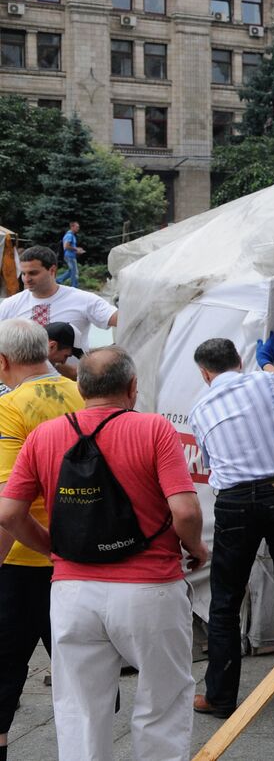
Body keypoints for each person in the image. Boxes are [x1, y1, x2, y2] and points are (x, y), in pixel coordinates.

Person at [0, 346, 207, 761]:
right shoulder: (154, 430)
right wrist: (196, 548)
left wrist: (51, 548)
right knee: (163, 703)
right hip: (150, 589)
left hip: (72, 591)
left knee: (79, 708)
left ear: (80, 386)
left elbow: (9, 513)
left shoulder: (44, 435)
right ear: (132, 387)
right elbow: (184, 510)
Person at [189, 334, 274, 718]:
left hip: (236, 504)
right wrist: (268, 363)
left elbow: (210, 460)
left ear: (205, 374)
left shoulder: (199, 409)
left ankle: (221, 697)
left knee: (225, 601)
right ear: (239, 362)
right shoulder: (262, 381)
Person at [0, 319, 83, 761]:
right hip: (83, 556)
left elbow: (7, 501)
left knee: (5, 669)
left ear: (3, 361)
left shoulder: (10, 405)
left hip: (24, 556)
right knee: (83, 670)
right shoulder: (83, 391)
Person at [0, 247, 117, 379]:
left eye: (33, 273)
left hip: (75, 387)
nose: (26, 279)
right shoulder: (10, 305)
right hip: (23, 387)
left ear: (52, 270)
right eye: (23, 273)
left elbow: (122, 320)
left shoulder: (84, 300)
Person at [57, 222, 83, 288]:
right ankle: (74, 286)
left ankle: (58, 280)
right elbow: (66, 246)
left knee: (71, 271)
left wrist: (77, 250)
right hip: (70, 256)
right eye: (77, 227)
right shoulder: (69, 235)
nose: (78, 228)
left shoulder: (72, 235)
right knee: (74, 272)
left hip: (71, 255)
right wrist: (76, 249)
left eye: (78, 227)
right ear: (72, 227)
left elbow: (69, 247)